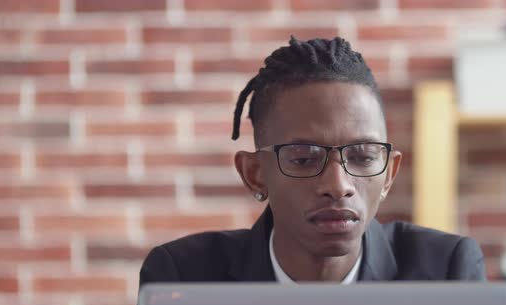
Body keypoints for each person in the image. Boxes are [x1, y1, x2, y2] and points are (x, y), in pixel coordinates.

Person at [137, 36, 485, 288]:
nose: (338, 186)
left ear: (390, 173)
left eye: (363, 157)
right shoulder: (184, 278)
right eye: (303, 159)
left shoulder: (447, 272)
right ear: (255, 174)